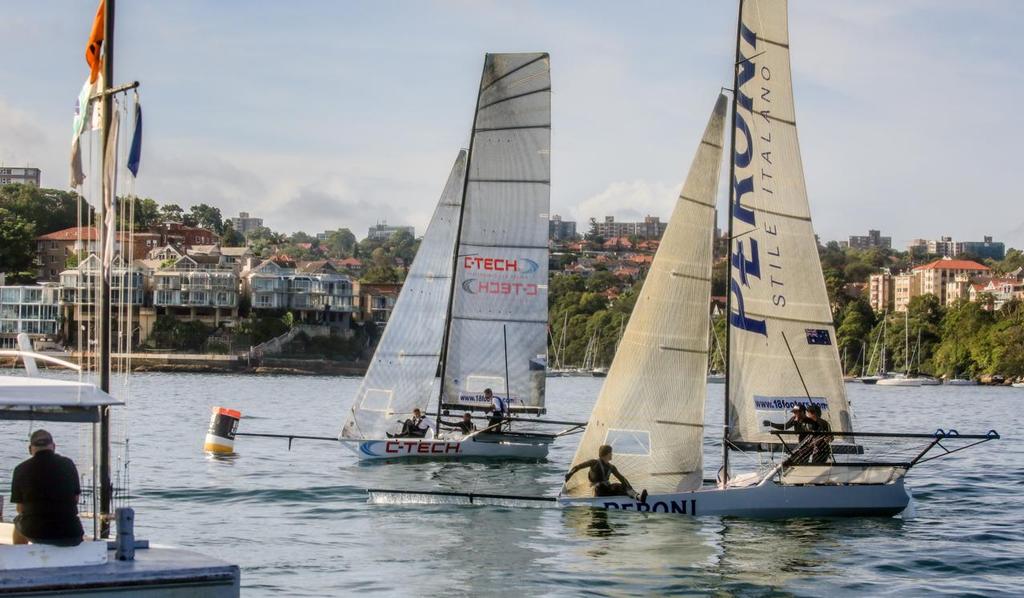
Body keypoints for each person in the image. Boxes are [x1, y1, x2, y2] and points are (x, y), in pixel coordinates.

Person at [10, 430, 84, 546]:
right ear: (53, 447)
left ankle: (20, 558)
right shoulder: (68, 464)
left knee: (18, 521)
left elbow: (20, 508)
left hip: (37, 533)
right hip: (71, 533)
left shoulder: (21, 469)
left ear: (30, 449)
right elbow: (75, 500)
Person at [564, 444, 648, 503]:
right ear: (607, 454)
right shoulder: (594, 462)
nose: (612, 454)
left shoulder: (612, 467)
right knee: (600, 486)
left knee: (619, 485)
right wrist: (569, 475)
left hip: (607, 491)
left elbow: (622, 478)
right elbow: (578, 467)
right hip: (597, 491)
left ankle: (638, 497)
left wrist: (632, 490)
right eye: (611, 453)